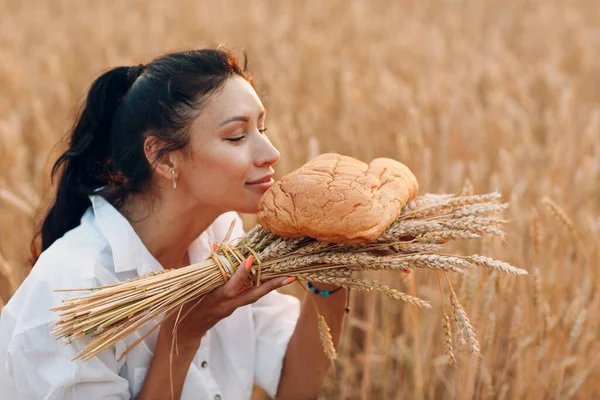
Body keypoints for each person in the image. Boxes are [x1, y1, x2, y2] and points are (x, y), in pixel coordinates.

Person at [0, 48, 347, 399]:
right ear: (163, 157)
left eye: (262, 127)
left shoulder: (223, 235)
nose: (271, 152)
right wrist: (182, 336)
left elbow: (296, 388)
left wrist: (329, 279)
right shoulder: (72, 292)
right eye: (237, 136)